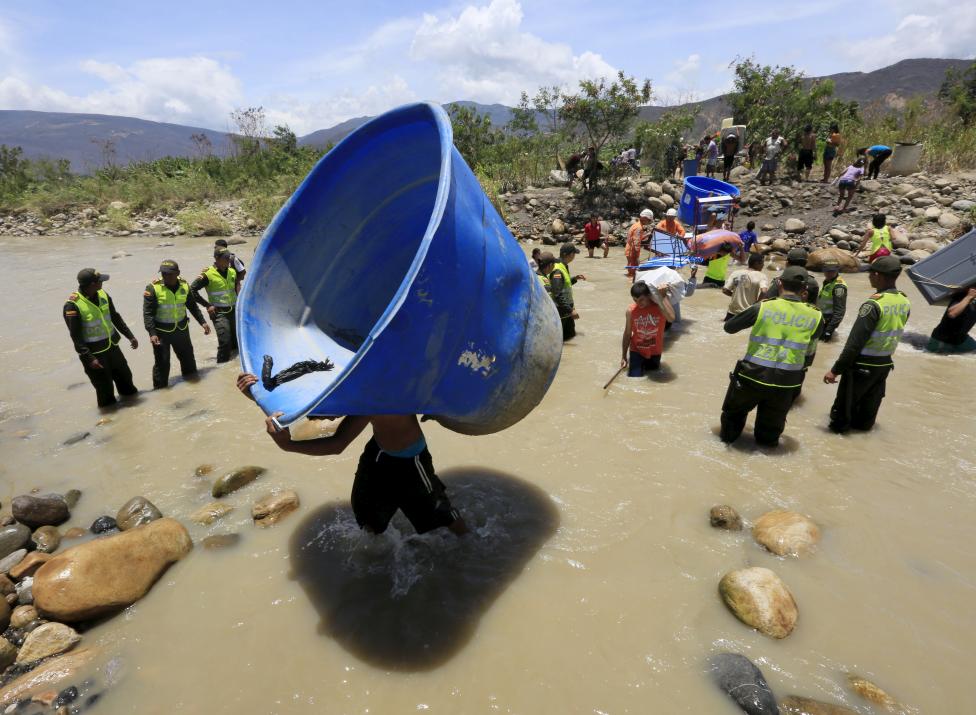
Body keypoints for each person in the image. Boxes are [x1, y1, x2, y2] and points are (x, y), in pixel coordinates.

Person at [237, 375, 467, 536]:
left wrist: (288, 445)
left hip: (410, 461)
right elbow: (314, 408)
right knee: (367, 514)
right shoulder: (361, 382)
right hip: (378, 452)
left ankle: (469, 545)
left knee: (439, 514)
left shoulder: (379, 393)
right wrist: (257, 396)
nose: (325, 419)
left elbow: (337, 443)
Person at [720, 266, 824, 447]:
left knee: (732, 420)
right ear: (804, 290)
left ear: (779, 283)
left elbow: (729, 327)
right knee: (769, 434)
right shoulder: (816, 315)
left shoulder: (764, 307)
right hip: (787, 382)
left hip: (752, 376)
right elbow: (811, 345)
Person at [824, 256, 910, 433]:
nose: (869, 277)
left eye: (870, 274)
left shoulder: (873, 305)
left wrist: (835, 370)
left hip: (861, 366)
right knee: (866, 417)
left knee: (841, 417)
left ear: (877, 275)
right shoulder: (904, 301)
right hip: (884, 365)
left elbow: (854, 344)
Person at [63, 268, 139, 408]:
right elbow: (76, 337)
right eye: (100, 281)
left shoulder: (103, 294)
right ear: (92, 284)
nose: (102, 283)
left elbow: (115, 317)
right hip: (95, 356)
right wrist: (89, 358)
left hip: (112, 348)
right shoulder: (72, 306)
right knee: (105, 393)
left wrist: (130, 336)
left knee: (127, 383)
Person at [143, 260, 211, 389]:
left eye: (169, 274)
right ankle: (160, 392)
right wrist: (152, 333)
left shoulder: (185, 285)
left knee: (189, 362)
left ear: (178, 273)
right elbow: (148, 313)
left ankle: (194, 388)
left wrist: (203, 322)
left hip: (181, 330)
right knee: (162, 364)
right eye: (164, 274)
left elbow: (192, 306)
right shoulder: (153, 288)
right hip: (161, 333)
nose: (166, 277)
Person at [190, 247, 239, 363]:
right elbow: (192, 290)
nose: (228, 260)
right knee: (225, 342)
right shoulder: (208, 274)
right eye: (225, 258)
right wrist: (207, 305)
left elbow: (236, 287)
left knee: (236, 342)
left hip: (234, 311)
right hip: (219, 313)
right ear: (216, 258)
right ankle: (221, 366)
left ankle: (232, 368)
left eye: (229, 257)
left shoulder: (232, 271)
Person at [620, 281, 676, 377]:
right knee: (634, 379)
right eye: (635, 300)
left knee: (653, 377)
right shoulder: (631, 311)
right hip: (636, 350)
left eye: (641, 300)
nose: (638, 303)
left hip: (655, 352)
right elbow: (627, 334)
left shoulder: (660, 307)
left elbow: (671, 318)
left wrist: (663, 296)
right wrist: (624, 357)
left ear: (649, 296)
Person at [925, 286, 976, 354]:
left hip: (960, 339)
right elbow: (952, 313)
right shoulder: (961, 296)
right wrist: (968, 297)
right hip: (942, 339)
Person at [551, 242, 585, 340]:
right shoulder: (557, 269)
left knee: (570, 336)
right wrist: (571, 310)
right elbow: (557, 293)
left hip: (566, 309)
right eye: (573, 254)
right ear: (568, 254)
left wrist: (575, 279)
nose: (574, 256)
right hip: (562, 310)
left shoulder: (563, 265)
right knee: (562, 339)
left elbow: (564, 284)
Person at [723, 253, 768, 320]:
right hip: (747, 313)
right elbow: (764, 291)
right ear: (756, 263)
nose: (763, 265)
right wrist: (757, 303)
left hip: (731, 313)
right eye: (762, 263)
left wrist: (735, 295)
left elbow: (725, 290)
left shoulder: (736, 273)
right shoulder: (761, 276)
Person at [817, 260, 848, 342]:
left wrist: (829, 330)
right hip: (822, 318)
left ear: (837, 271)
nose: (829, 273)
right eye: (827, 271)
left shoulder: (839, 287)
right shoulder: (828, 281)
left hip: (828, 322)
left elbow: (840, 311)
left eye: (832, 271)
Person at [626, 209, 653, 280]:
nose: (649, 222)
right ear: (645, 218)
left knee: (632, 267)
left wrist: (647, 234)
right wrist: (636, 256)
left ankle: (630, 277)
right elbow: (636, 242)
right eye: (649, 220)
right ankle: (630, 281)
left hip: (630, 248)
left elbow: (637, 238)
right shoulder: (639, 228)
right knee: (633, 269)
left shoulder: (637, 225)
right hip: (632, 250)